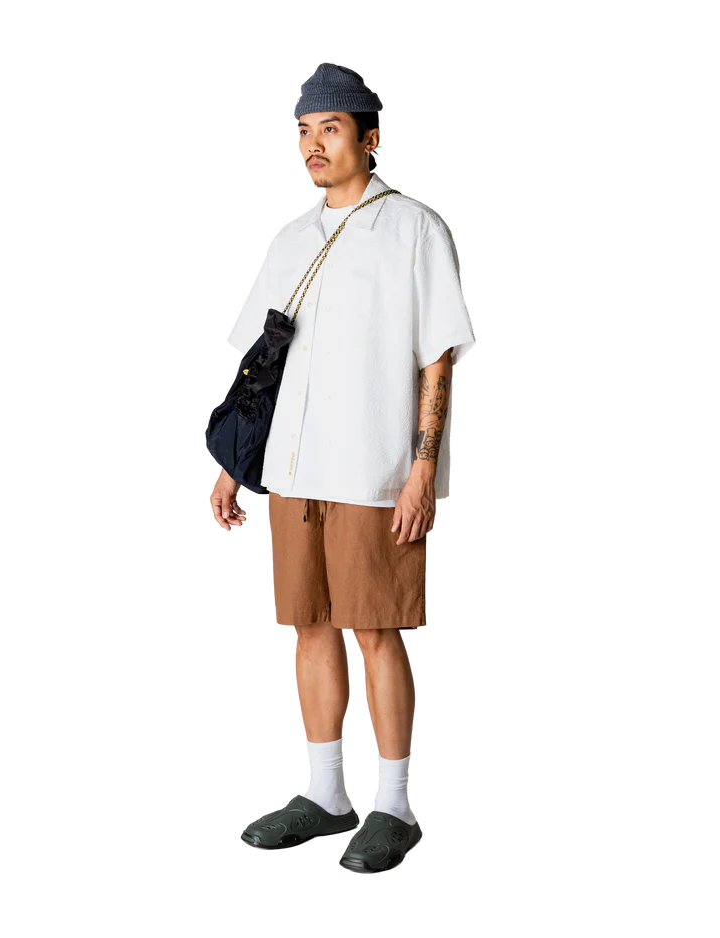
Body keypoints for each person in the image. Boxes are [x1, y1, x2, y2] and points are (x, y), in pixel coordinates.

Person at [210, 63, 477, 873]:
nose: (314, 145)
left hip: (372, 471)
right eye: (304, 130)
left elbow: (438, 356)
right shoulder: (289, 236)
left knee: (379, 630)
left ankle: (395, 806)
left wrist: (423, 471)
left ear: (371, 137)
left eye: (331, 128)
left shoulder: (412, 228)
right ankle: (325, 792)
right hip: (294, 471)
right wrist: (230, 465)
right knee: (310, 627)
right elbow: (255, 364)